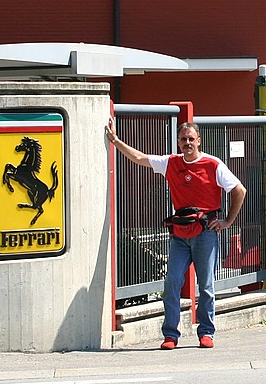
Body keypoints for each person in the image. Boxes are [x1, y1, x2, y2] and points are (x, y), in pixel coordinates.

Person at [105, 117, 246, 350]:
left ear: (199, 141)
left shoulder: (213, 164)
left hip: (205, 233)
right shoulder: (170, 163)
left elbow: (239, 190)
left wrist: (228, 221)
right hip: (179, 235)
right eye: (183, 139)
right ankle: (171, 335)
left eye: (191, 139)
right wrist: (115, 140)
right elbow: (139, 158)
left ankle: (206, 332)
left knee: (207, 286)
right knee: (172, 283)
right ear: (178, 142)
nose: (187, 143)